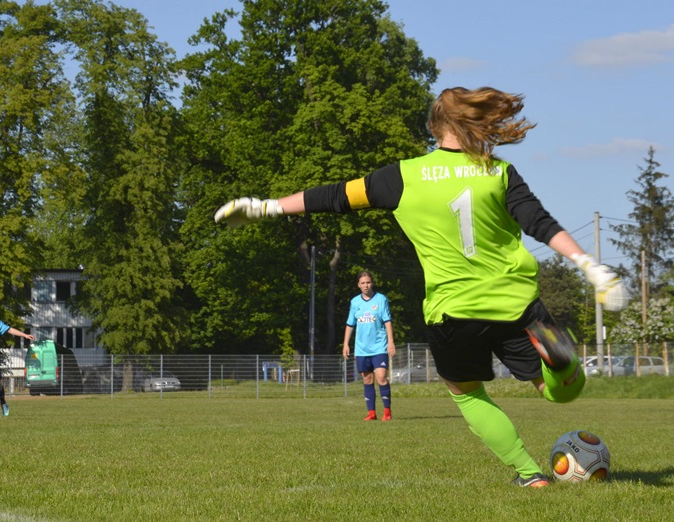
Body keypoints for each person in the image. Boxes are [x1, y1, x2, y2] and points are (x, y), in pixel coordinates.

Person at [214, 86, 629, 487]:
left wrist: (266, 206)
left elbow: (335, 196)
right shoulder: (497, 171)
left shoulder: (403, 176)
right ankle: (563, 367)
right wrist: (588, 265)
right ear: (472, 122)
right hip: (516, 303)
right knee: (560, 395)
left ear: (434, 128)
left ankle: (529, 474)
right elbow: (540, 222)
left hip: (452, 310)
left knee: (467, 396)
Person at [343, 271, 395, 421]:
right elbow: (350, 324)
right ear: (358, 285)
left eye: (368, 282)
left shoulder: (381, 299)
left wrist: (390, 342)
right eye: (363, 283)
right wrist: (346, 344)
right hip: (361, 349)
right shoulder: (355, 302)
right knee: (367, 380)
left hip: (379, 347)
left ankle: (387, 412)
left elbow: (387, 321)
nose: (366, 285)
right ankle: (371, 413)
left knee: (381, 377)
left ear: (372, 283)